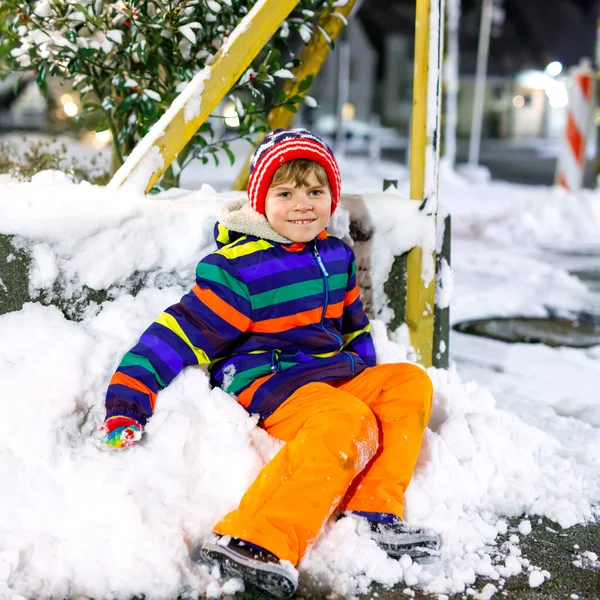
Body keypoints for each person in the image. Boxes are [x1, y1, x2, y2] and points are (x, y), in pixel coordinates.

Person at [102, 128, 439, 599]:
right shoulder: (241, 269)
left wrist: (364, 373)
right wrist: (128, 399)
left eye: (315, 192)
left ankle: (371, 510)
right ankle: (252, 538)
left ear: (331, 197)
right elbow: (177, 333)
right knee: (348, 419)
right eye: (285, 193)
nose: (303, 204)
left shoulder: (335, 255)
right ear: (261, 200)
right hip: (271, 381)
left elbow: (355, 326)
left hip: (330, 378)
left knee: (409, 382)